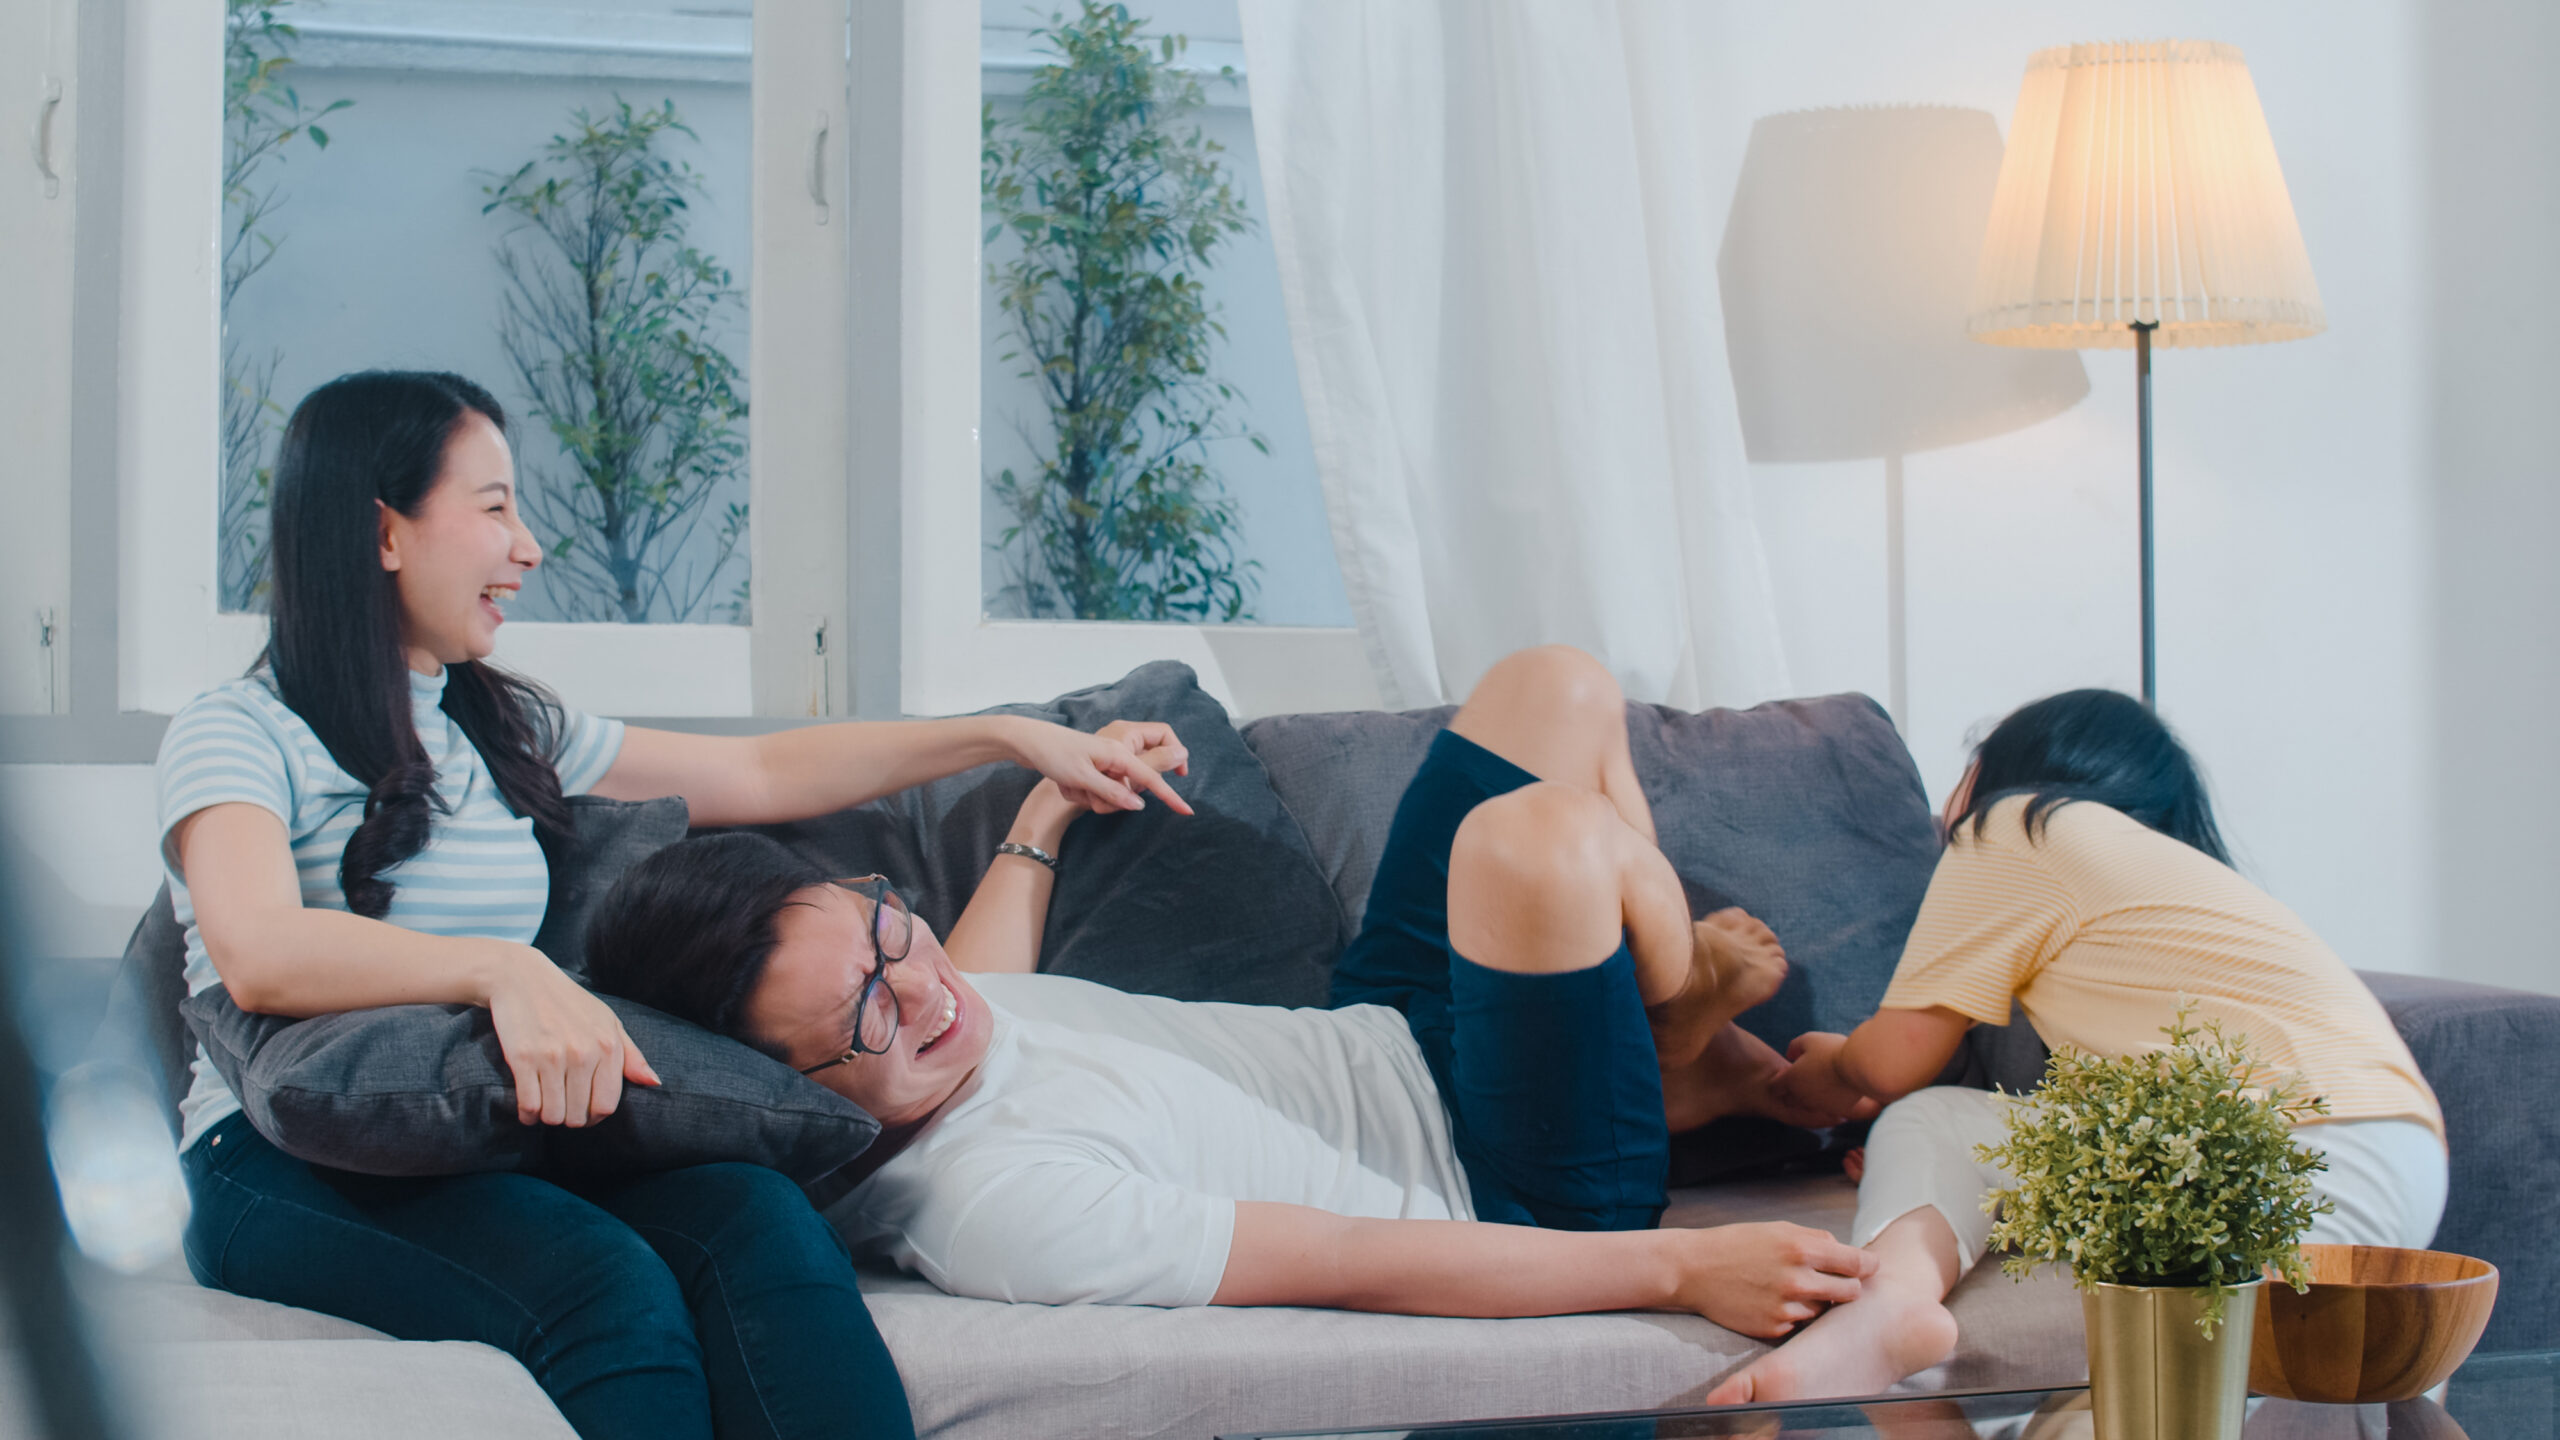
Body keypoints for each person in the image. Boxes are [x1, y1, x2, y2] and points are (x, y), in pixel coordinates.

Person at [160, 370, 1195, 1440]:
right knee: (606, 1286)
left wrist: (1007, 736)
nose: (530, 547)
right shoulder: (237, 730)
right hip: (272, 1162)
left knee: (761, 1220)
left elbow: (759, 776)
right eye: (495, 507)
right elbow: (259, 954)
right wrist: (502, 968)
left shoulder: (501, 727)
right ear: (385, 532)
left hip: (480, 1137)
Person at [588, 645, 1883, 1335]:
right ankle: (1665, 1010)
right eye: (867, 1014)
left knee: (1555, 687)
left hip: (1388, 1030)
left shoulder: (945, 1014)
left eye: (884, 931)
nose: (920, 994)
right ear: (800, 1096)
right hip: (1501, 1173)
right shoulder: (996, 1205)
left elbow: (976, 970)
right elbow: (1347, 1258)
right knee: (1530, 839)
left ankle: (1659, 1039)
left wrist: (1046, 801)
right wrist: (1679, 1272)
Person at [1709, 689, 2448, 1403]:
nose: (1942, 809)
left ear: (2001, 773)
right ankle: (1895, 1307)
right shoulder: (2161, 892)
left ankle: (1894, 1301)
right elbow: (2039, 1127)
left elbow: (1896, 1056)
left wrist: (1836, 1071)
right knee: (1941, 1123)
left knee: (1931, 1115)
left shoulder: (2015, 826)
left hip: (2291, 1151)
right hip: (2377, 1151)